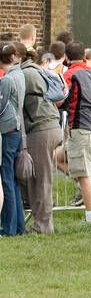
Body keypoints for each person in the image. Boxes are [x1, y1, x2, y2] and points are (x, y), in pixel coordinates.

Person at [55, 41, 91, 223]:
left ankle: (90, 218)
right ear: (84, 55)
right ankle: (89, 190)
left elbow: (60, 99)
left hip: (81, 128)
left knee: (84, 175)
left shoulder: (69, 74)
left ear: (66, 57)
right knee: (57, 157)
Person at [18, 45, 61, 233]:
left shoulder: (24, 74)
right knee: (35, 177)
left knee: (40, 179)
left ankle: (43, 226)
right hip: (50, 125)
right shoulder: (35, 70)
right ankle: (41, 221)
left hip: (40, 128)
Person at [0, 44, 26, 236]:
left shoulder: (7, 79)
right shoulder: (20, 74)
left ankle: (9, 228)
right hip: (16, 129)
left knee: (7, 180)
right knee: (13, 181)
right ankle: (18, 226)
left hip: (7, 131)